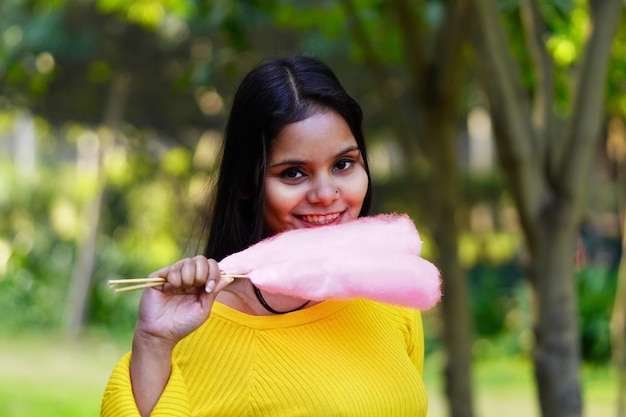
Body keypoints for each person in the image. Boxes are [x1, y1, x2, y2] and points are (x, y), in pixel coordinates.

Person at [101, 55, 428, 417]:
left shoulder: (391, 299)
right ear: (246, 183)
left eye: (343, 164)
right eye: (293, 173)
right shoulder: (196, 329)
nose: (325, 193)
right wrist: (154, 341)